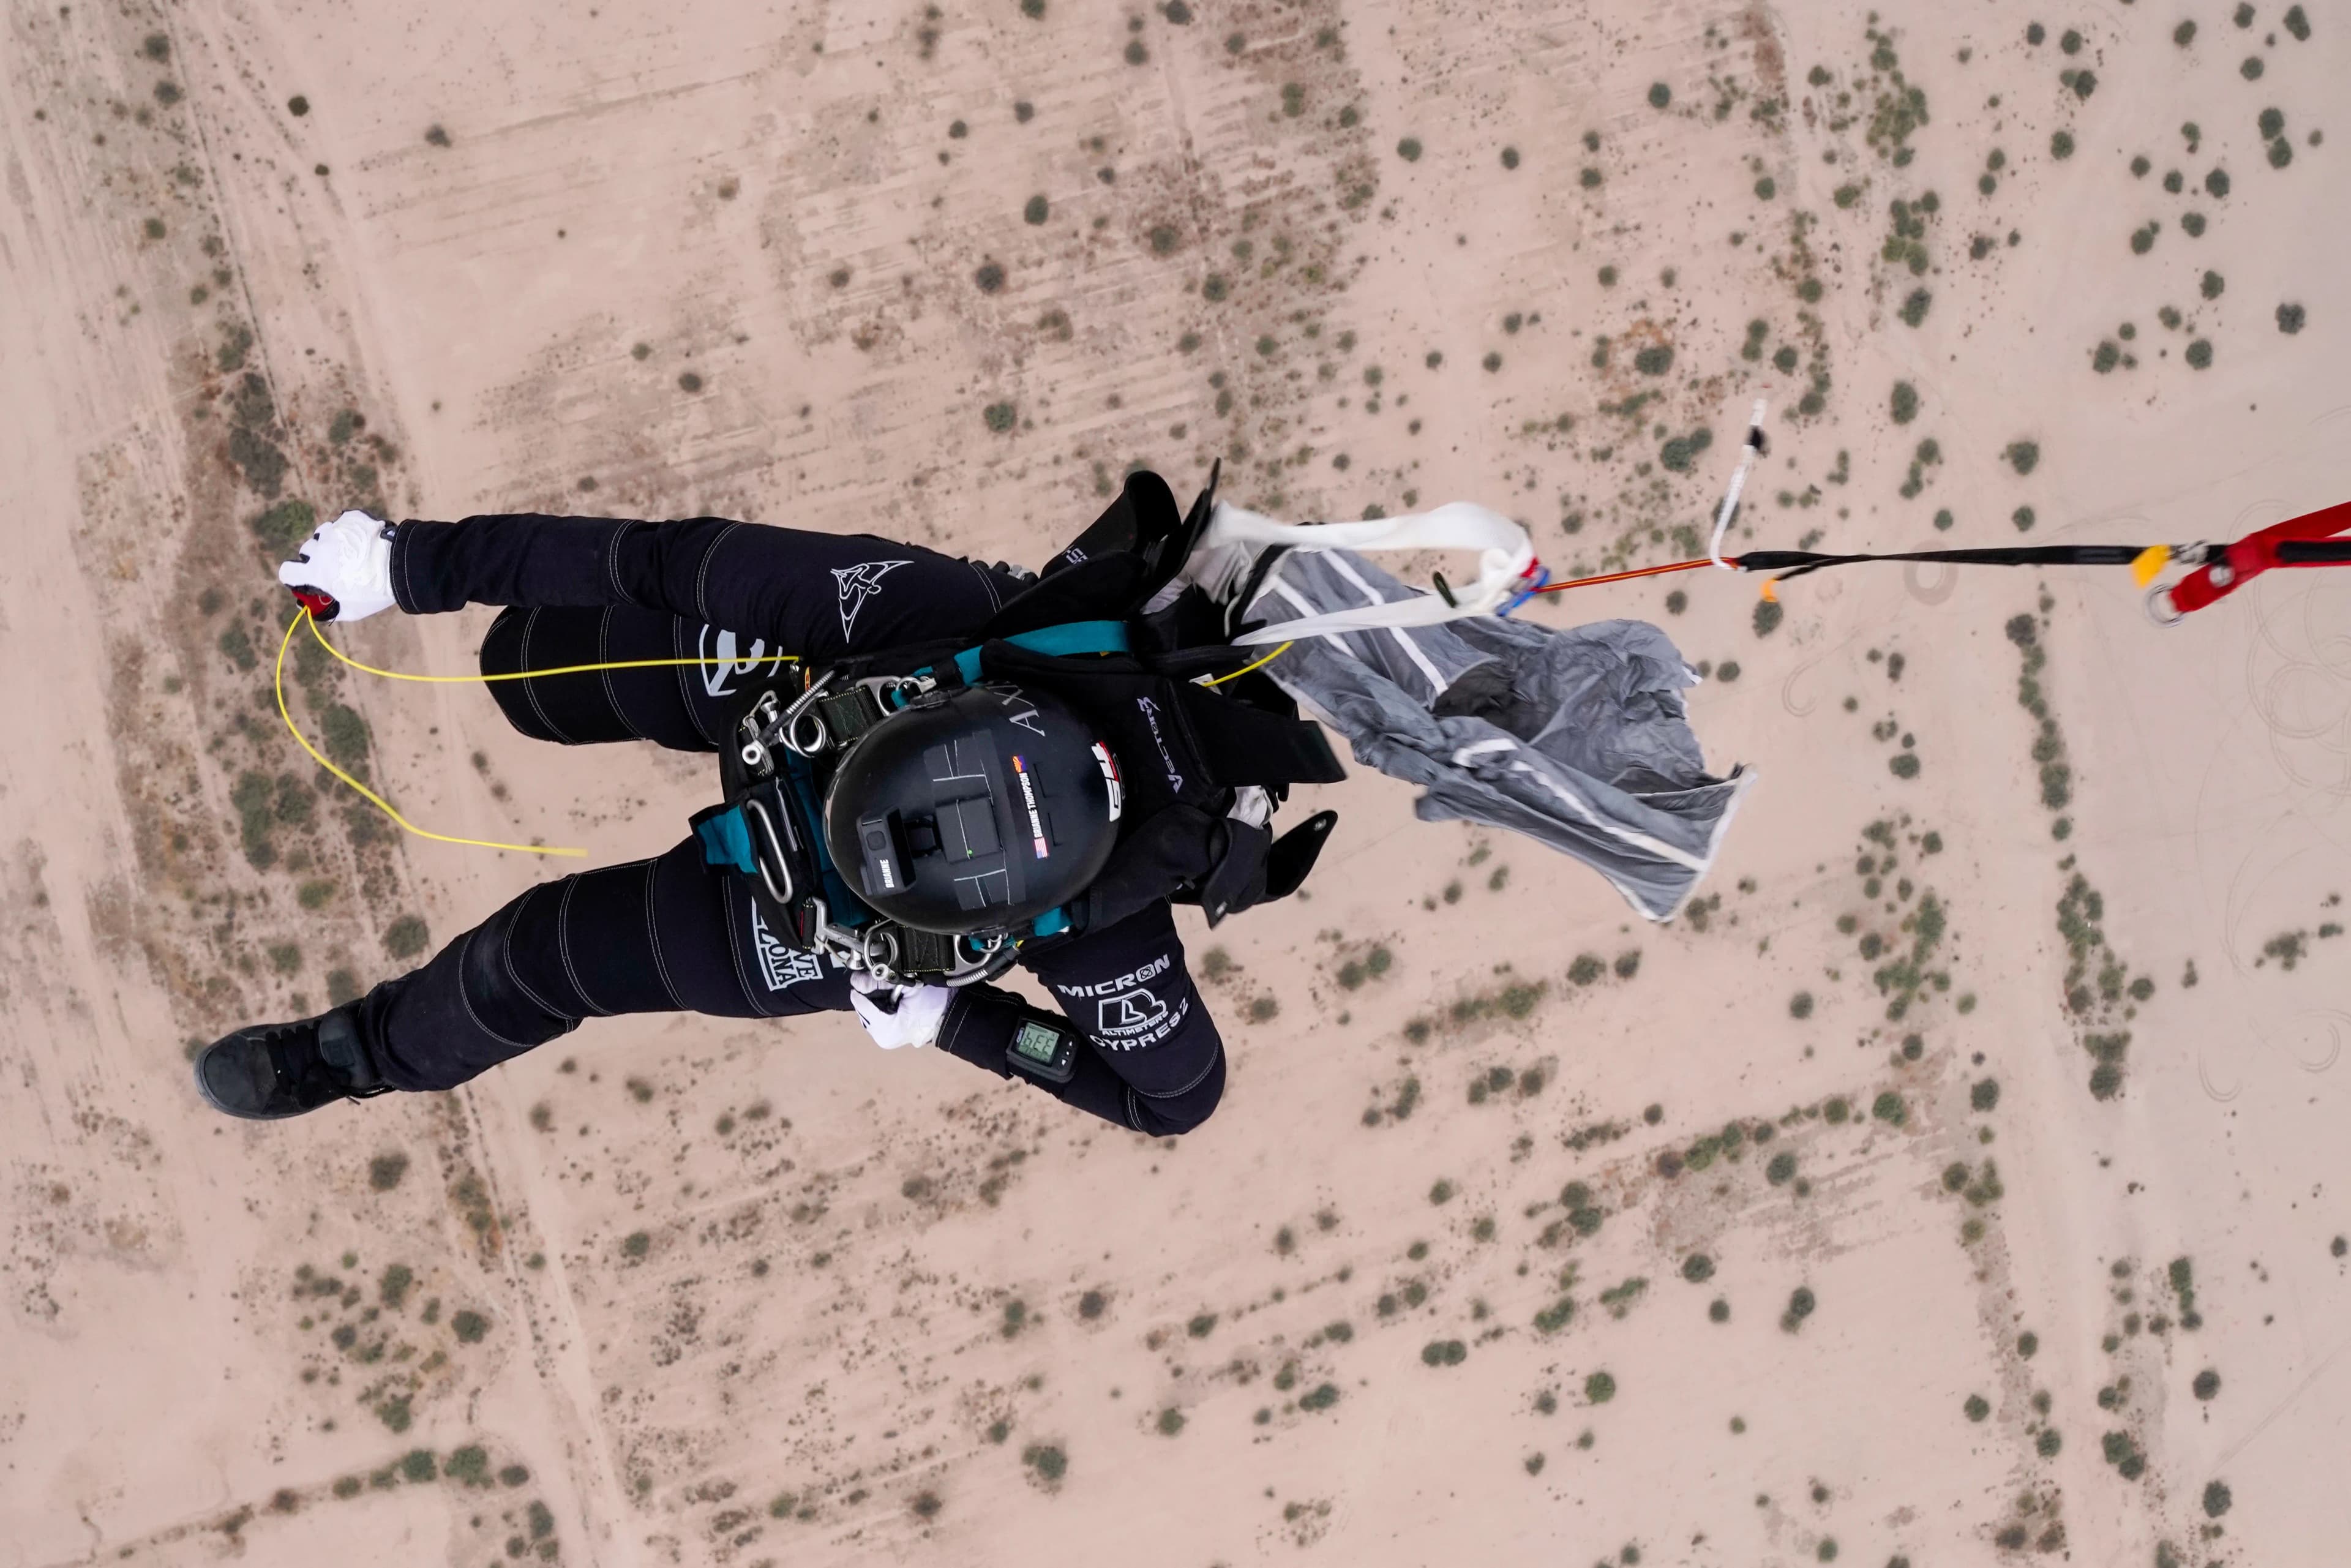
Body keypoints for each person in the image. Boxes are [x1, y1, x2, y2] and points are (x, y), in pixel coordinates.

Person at [192, 503, 1266, 1136]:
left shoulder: (1104, 916)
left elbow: (1177, 1100)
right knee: (530, 666)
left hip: (830, 920)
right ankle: (565, 679)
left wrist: (950, 1020)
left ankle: (353, 1056)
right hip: (796, 689)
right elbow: (660, 561)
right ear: (909, 703)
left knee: (540, 956)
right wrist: (406, 562)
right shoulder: (928, 618)